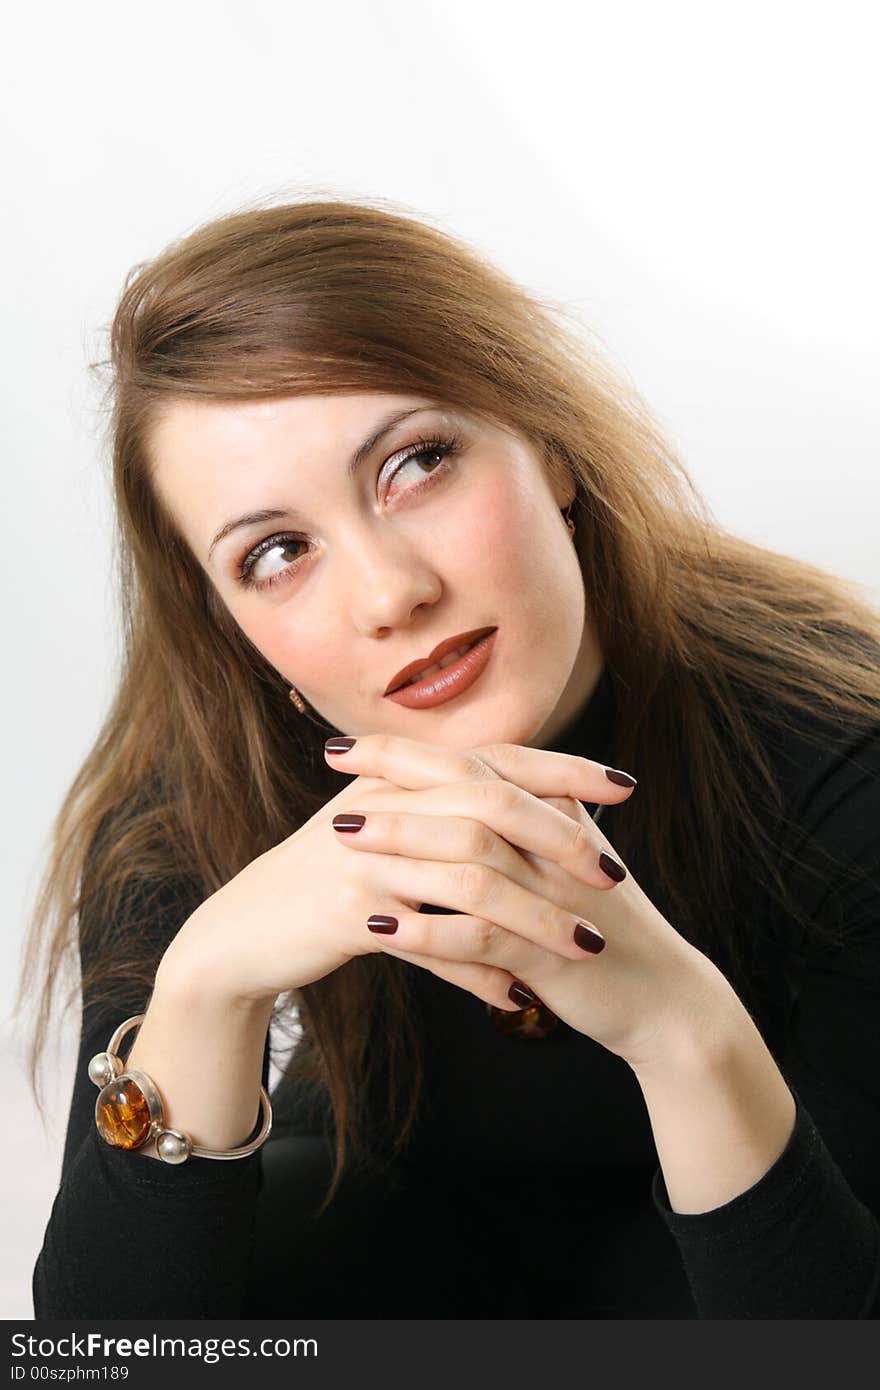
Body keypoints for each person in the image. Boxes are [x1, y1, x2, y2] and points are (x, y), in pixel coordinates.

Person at [17, 197, 880, 1320]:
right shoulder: (194, 792)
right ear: (230, 622)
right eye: (277, 551)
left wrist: (681, 1028)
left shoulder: (831, 745)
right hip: (406, 1247)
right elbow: (102, 1347)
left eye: (417, 462)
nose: (390, 593)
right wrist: (202, 985)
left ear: (552, 449)